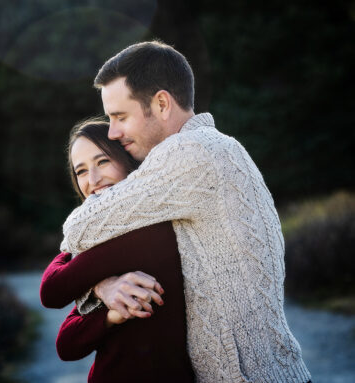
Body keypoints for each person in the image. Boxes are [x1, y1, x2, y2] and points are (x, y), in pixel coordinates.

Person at [60, 41, 312, 382]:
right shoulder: (219, 146)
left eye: (120, 117)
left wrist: (97, 283)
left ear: (162, 103)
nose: (113, 132)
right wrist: (103, 285)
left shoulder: (189, 153)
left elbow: (80, 227)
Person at [40, 119, 195, 382]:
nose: (93, 180)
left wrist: (94, 285)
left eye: (102, 162)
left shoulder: (148, 230)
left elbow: (52, 290)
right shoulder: (99, 237)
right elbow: (66, 344)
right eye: (81, 171)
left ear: (128, 160)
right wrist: (107, 301)